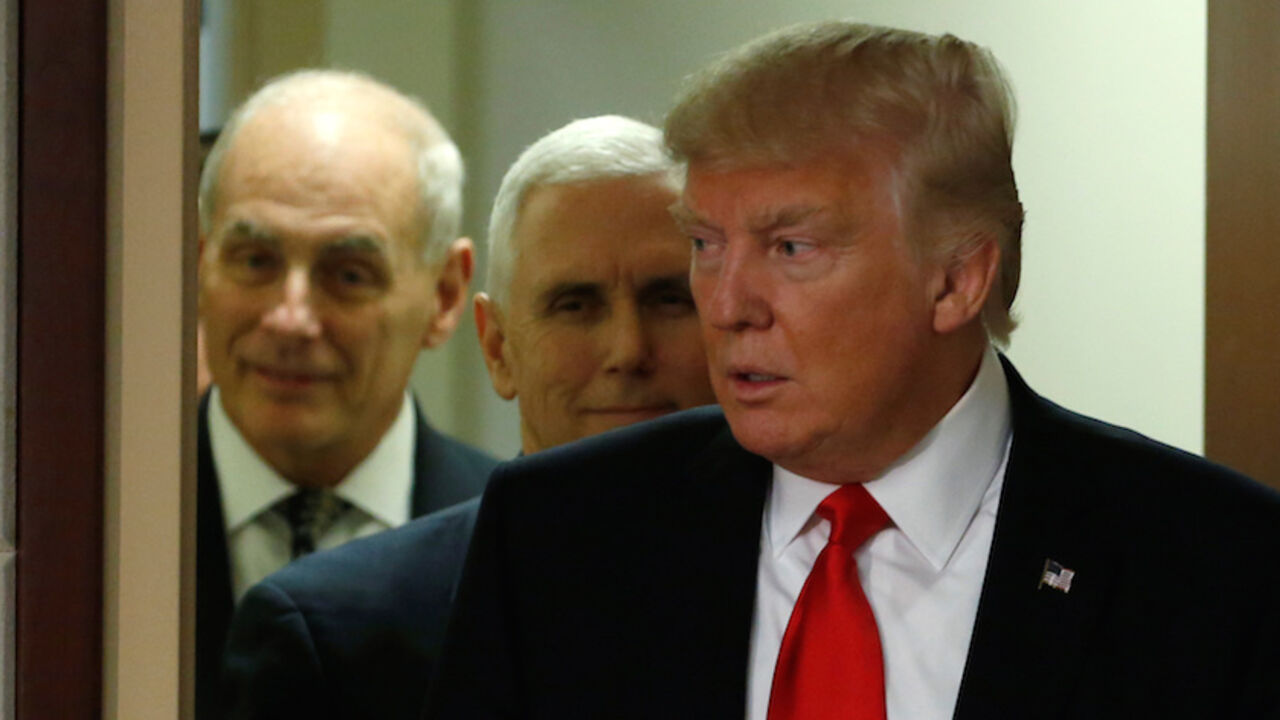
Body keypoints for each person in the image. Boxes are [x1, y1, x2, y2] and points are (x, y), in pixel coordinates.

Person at [424, 22, 1280, 720]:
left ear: (956, 278)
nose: (726, 305)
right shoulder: (559, 536)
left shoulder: (1215, 570)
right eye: (704, 245)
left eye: (790, 248)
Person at [219, 115, 718, 719]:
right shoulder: (336, 636)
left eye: (670, 300)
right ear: (498, 349)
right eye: (575, 305)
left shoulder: (820, 584)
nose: (627, 350)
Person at [195, 70, 498, 718]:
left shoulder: (520, 544)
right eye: (254, 261)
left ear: (445, 295)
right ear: (200, 264)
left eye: (348, 274)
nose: (290, 318)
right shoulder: (84, 530)